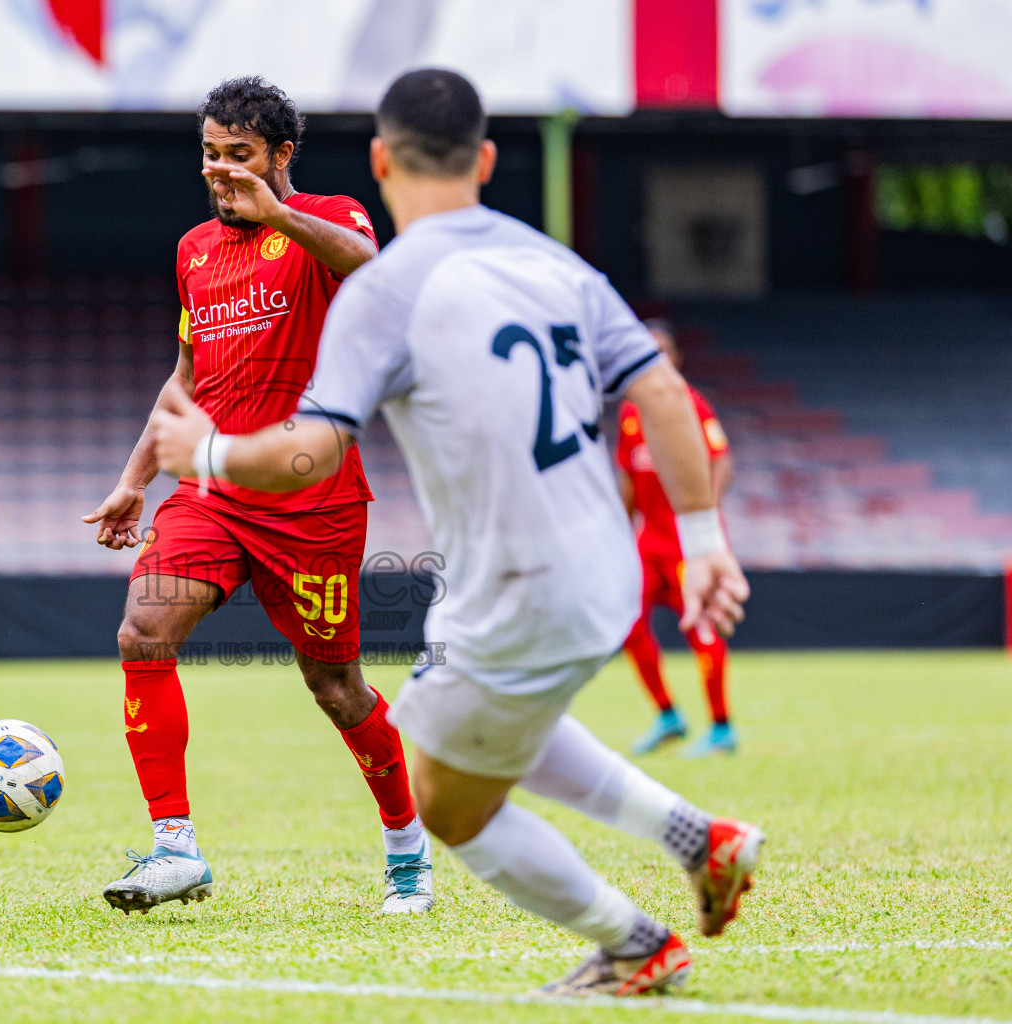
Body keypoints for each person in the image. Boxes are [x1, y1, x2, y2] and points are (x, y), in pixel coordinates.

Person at [148, 69, 763, 997]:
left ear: (379, 162)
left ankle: (636, 943)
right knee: (495, 727)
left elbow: (308, 456)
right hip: (606, 572)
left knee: (445, 797)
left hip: (515, 582)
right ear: (483, 160)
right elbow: (665, 393)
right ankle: (700, 838)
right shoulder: (557, 264)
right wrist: (708, 540)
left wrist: (207, 455)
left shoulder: (389, 289)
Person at [81, 76, 433, 917]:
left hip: (312, 498)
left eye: (239, 155)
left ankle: (406, 845)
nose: (219, 171)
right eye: (209, 153)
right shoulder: (193, 250)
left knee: (336, 686)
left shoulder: (332, 216)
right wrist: (136, 480)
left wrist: (277, 215)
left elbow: (374, 276)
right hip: (212, 490)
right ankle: (175, 849)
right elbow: (187, 377)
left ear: (281, 157)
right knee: (143, 629)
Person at [617, 319, 739, 757]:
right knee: (627, 624)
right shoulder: (631, 414)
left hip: (687, 544)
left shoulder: (691, 404)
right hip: (648, 543)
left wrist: (704, 519)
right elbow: (628, 477)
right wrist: (620, 531)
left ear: (677, 358)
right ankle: (668, 714)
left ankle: (722, 726)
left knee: (702, 627)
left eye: (664, 351)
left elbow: (722, 462)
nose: (657, 360)